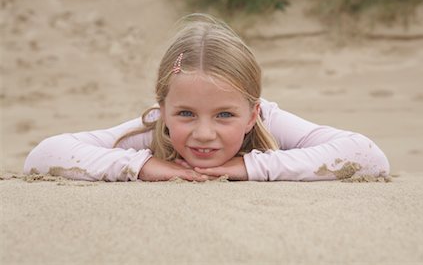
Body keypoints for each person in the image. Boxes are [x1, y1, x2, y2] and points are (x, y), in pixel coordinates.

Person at [23, 14, 390, 182]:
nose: (203, 133)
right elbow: (44, 155)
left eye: (224, 116)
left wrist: (249, 167)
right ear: (163, 110)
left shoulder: (270, 121)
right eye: (185, 113)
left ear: (252, 115)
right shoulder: (154, 129)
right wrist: (146, 166)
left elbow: (366, 155)